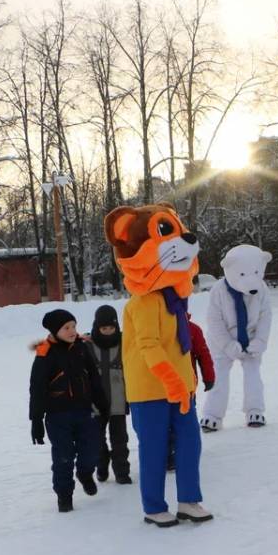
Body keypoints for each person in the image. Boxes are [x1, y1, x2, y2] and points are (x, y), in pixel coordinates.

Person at [104, 203, 211, 528]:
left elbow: (181, 345)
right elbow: (149, 346)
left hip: (181, 387)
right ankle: (153, 506)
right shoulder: (144, 302)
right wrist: (172, 381)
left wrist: (185, 383)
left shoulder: (175, 300)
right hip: (151, 390)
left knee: (190, 443)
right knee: (153, 448)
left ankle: (189, 500)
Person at [30, 309, 109, 512]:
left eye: (74, 326)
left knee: (92, 448)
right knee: (63, 456)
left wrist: (102, 404)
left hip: (84, 411)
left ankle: (84, 473)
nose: (72, 330)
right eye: (66, 328)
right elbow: (37, 388)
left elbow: (93, 377)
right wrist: (36, 420)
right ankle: (64, 495)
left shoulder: (81, 347)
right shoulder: (45, 352)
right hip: (58, 416)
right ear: (55, 330)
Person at [201, 244, 274, 430]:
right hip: (222, 341)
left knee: (253, 375)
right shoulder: (218, 290)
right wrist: (227, 345)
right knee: (219, 376)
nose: (252, 280)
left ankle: (255, 410)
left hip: (251, 339)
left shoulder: (262, 289)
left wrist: (260, 341)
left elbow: (266, 316)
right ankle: (212, 414)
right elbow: (214, 320)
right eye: (243, 274)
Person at [88, 305, 131, 484]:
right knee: (96, 440)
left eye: (111, 328)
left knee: (120, 441)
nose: (107, 332)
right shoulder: (87, 346)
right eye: (103, 329)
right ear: (97, 327)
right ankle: (102, 465)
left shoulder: (124, 344)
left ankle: (122, 472)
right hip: (95, 406)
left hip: (118, 404)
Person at [169, 316, 215, 471]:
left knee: (185, 420)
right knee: (166, 422)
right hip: (163, 386)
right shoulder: (158, 329)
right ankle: (169, 453)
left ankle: (185, 450)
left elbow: (203, 354)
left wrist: (208, 377)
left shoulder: (192, 329)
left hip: (187, 386)